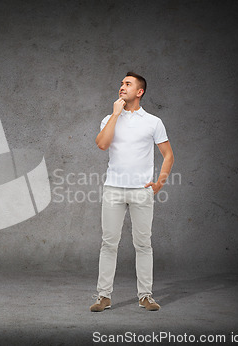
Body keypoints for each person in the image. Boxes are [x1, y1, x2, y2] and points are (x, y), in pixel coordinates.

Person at [90, 72, 174, 312]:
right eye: (121, 84)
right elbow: (102, 144)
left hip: (141, 192)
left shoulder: (153, 122)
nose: (121, 87)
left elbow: (168, 155)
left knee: (143, 245)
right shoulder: (109, 118)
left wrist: (159, 183)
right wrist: (116, 115)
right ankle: (103, 297)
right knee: (108, 244)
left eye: (127, 84)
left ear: (140, 92)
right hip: (113, 189)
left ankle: (145, 296)